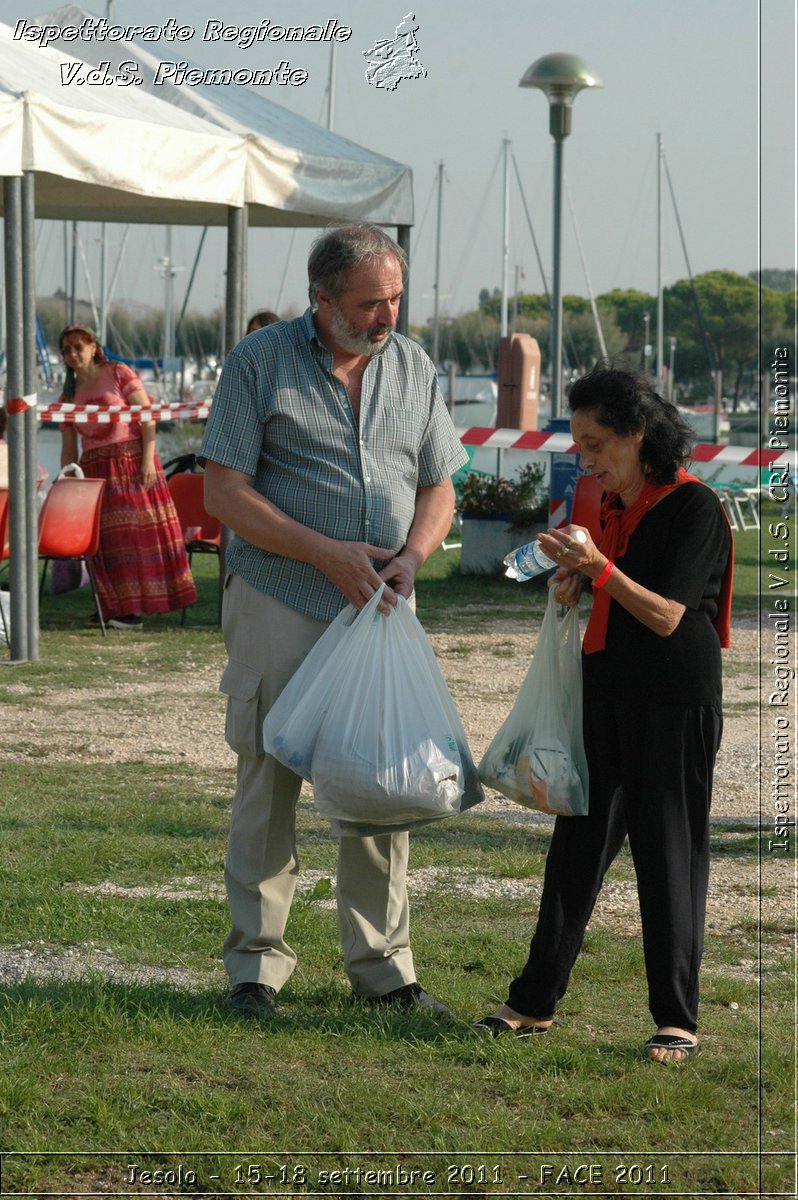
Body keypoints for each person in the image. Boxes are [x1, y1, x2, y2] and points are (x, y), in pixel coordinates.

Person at [200, 223, 469, 1018]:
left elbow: (438, 484)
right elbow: (224, 492)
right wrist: (324, 554)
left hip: (383, 605)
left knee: (384, 784)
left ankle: (384, 974)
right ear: (321, 300)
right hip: (281, 599)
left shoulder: (413, 365)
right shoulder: (258, 364)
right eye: (369, 303)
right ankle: (255, 971)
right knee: (267, 782)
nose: (386, 317)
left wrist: (412, 558)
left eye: (394, 300)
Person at [474, 364, 733, 1063]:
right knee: (576, 850)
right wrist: (573, 586)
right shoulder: (605, 506)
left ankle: (676, 1019)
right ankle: (532, 1002)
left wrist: (599, 572)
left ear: (637, 435)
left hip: (676, 701)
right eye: (579, 444)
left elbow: (670, 614)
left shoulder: (694, 507)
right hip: (605, 691)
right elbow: (610, 593)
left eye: (595, 444)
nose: (584, 458)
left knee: (668, 855)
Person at [57, 323, 197, 629]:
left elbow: (147, 416)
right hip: (93, 470)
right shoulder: (68, 392)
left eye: (77, 347)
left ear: (93, 346)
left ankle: (133, 610)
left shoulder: (118, 373)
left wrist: (149, 459)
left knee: (135, 538)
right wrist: (66, 481)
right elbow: (68, 445)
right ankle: (112, 607)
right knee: (103, 543)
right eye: (66, 349)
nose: (72, 354)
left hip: (130, 463)